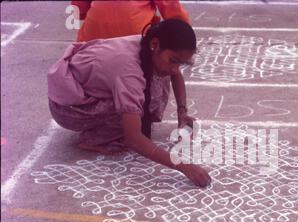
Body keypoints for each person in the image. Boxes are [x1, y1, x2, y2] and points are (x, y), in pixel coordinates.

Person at [47, 19, 211, 187]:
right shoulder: (130, 72)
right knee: (144, 102)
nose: (176, 69)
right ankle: (94, 139)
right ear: (155, 44)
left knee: (156, 83)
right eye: (173, 60)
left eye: (181, 63)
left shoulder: (150, 46)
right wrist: (184, 166)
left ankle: (109, 121)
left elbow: (175, 74)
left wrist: (182, 113)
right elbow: (134, 138)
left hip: (80, 87)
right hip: (67, 107)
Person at [72, 0, 190, 42]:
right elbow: (174, 12)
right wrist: (185, 38)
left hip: (91, 42)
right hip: (133, 41)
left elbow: (79, 10)